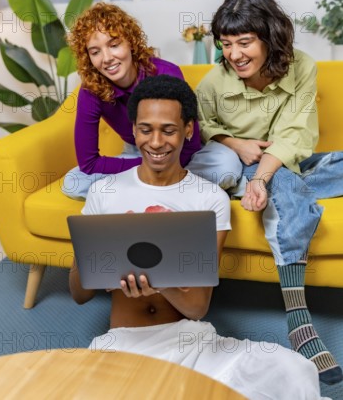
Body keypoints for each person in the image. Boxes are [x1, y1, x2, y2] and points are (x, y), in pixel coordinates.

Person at [69, 74, 325, 400]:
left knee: (293, 369)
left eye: (169, 130)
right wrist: (96, 267)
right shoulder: (104, 192)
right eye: (146, 129)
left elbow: (197, 307)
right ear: (133, 129)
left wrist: (159, 279)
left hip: (190, 342)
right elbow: (78, 293)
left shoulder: (209, 199)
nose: (156, 142)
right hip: (124, 342)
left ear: (188, 130)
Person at [195, 0, 343, 385]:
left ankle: (284, 183)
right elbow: (204, 130)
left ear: (270, 37)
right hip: (245, 166)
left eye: (245, 42)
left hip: (283, 160)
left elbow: (296, 134)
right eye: (226, 44)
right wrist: (235, 143)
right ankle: (299, 320)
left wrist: (264, 173)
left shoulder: (303, 68)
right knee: (287, 188)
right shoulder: (213, 84)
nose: (235, 54)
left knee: (293, 176)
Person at [62, 2, 234, 200]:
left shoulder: (166, 73)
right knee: (74, 183)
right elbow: (89, 163)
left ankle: (145, 191)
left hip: (179, 151)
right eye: (95, 52)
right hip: (137, 154)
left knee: (226, 167)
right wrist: (146, 166)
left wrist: (157, 168)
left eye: (114, 45)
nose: (107, 58)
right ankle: (173, 190)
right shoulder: (90, 91)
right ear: (88, 57)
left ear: (131, 42)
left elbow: (191, 144)